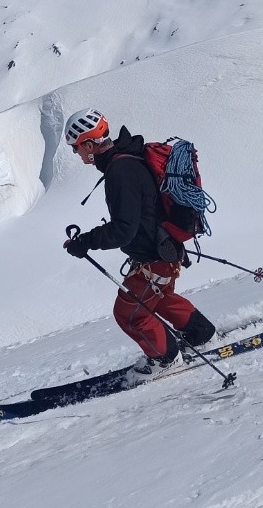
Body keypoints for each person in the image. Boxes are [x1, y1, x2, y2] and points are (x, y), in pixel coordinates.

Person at [62, 110, 216, 373]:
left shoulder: (120, 170)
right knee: (160, 299)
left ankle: (166, 359)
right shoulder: (129, 158)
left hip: (154, 258)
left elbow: (123, 230)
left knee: (130, 314)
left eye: (75, 147)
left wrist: (84, 242)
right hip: (165, 251)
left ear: (88, 145)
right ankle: (201, 334)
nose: (77, 154)